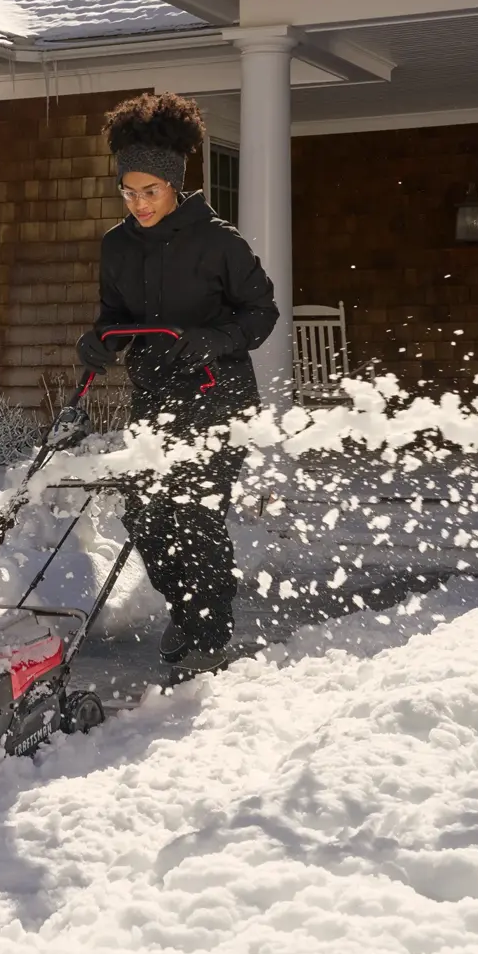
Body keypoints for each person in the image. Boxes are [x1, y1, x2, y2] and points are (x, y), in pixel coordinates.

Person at [75, 92, 279, 676]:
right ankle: (187, 607)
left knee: (193, 509)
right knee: (144, 511)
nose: (139, 204)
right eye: (129, 192)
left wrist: (212, 338)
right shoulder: (116, 246)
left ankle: (206, 629)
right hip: (156, 395)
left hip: (219, 393)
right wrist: (100, 341)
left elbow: (260, 313)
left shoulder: (220, 241)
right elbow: (114, 315)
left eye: (151, 191)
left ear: (174, 186)